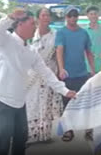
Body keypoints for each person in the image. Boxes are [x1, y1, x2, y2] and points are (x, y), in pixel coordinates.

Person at [0, 9, 76, 155]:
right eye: (32, 24)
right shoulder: (5, 41)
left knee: (20, 140)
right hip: (0, 99)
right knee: (2, 141)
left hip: (19, 102)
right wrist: (10, 17)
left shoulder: (31, 51)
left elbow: (46, 73)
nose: (35, 27)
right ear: (19, 24)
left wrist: (65, 91)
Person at [55, 6, 95, 142]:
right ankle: (68, 130)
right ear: (66, 17)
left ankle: (89, 129)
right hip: (68, 74)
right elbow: (59, 51)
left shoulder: (83, 33)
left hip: (82, 73)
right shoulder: (61, 33)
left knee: (86, 102)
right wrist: (61, 69)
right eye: (70, 16)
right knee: (67, 104)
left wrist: (93, 70)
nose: (73, 18)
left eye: (75, 15)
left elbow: (89, 52)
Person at [26, 8, 63, 144]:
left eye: (48, 15)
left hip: (49, 72)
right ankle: (31, 133)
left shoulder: (55, 35)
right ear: (38, 18)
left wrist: (59, 71)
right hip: (31, 75)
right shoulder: (31, 34)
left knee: (45, 103)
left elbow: (59, 54)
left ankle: (44, 134)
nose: (46, 18)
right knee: (31, 103)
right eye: (43, 15)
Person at [85, 6, 101, 73]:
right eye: (91, 14)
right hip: (89, 67)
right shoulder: (84, 31)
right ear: (88, 16)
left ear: (98, 15)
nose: (93, 16)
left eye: (95, 14)